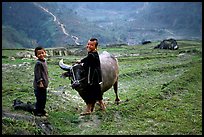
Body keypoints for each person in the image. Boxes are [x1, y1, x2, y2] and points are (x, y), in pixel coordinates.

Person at [77, 38, 106, 115]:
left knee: (90, 91)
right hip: (96, 76)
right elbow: (87, 59)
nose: (89, 46)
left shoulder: (92, 55)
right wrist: (81, 61)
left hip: (92, 76)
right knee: (97, 90)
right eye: (88, 44)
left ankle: (88, 109)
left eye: (91, 45)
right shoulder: (94, 53)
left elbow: (88, 62)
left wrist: (81, 63)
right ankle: (102, 106)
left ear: (95, 47)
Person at [33, 46, 49, 116]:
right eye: (39, 54)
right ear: (36, 55)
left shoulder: (44, 61)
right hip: (39, 86)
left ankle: (42, 110)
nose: (41, 55)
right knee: (40, 99)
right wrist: (40, 82)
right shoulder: (38, 63)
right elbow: (37, 74)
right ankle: (38, 111)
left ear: (45, 53)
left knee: (43, 99)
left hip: (44, 85)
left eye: (42, 53)